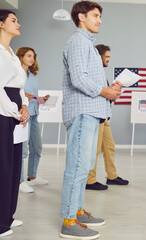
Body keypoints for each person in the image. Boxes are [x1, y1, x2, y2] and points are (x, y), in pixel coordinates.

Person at [59, 1, 122, 239]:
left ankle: (76, 211)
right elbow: (78, 78)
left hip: (92, 112)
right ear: (81, 17)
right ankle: (68, 221)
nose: (100, 20)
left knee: (84, 167)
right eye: (96, 15)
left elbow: (91, 80)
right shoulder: (77, 41)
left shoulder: (87, 45)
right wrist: (105, 91)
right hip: (82, 112)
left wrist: (111, 88)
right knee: (76, 167)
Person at [0, 10, 29, 238]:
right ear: (1, 24)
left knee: (14, 167)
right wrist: (13, 111)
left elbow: (19, 88)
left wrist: (25, 106)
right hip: (3, 115)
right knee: (3, 167)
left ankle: (7, 215)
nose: (18, 23)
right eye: (13, 20)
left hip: (16, 116)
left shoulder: (11, 53)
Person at [85, 44, 129, 191]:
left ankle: (112, 176)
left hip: (105, 117)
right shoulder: (92, 74)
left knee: (109, 147)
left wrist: (114, 91)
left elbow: (107, 97)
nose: (109, 60)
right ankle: (90, 180)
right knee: (95, 150)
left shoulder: (102, 75)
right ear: (99, 57)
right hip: (97, 117)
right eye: (107, 57)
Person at [15, 47, 50, 194]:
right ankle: (19, 181)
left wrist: (42, 99)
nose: (32, 59)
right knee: (22, 150)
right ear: (21, 56)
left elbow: (33, 95)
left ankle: (32, 177)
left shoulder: (33, 75)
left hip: (35, 114)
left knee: (37, 147)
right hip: (22, 115)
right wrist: (24, 96)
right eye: (29, 56)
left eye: (33, 56)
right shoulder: (16, 73)